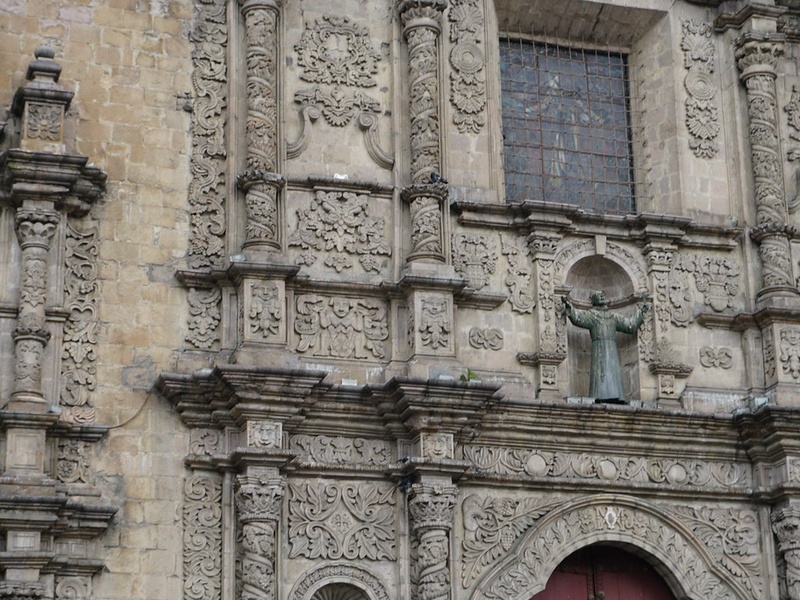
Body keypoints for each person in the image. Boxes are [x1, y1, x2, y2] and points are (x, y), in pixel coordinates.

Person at [564, 290, 649, 402]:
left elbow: (630, 326)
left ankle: (614, 395)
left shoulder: (613, 316)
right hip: (598, 349)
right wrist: (569, 307)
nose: (602, 296)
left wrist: (640, 313)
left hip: (611, 349)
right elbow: (578, 319)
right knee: (600, 372)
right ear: (593, 300)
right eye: (598, 295)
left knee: (611, 372)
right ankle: (600, 395)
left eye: (602, 294)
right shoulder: (592, 315)